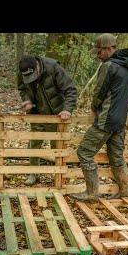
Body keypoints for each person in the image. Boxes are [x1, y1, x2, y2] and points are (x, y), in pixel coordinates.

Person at [70, 34, 128, 203]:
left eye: (99, 52)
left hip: (106, 120)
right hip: (120, 121)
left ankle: (91, 193)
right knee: (116, 157)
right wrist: (125, 98)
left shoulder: (109, 65)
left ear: (108, 49)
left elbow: (100, 91)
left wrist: (94, 107)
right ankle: (126, 191)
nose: (98, 56)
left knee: (84, 152)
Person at [17, 55, 77, 186]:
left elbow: (71, 89)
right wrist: (27, 100)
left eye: (34, 75)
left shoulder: (53, 67)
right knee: (34, 145)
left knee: (57, 146)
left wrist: (67, 109)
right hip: (36, 113)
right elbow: (22, 89)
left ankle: (58, 174)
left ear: (37, 66)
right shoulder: (22, 70)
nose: (32, 79)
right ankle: (34, 173)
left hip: (56, 115)